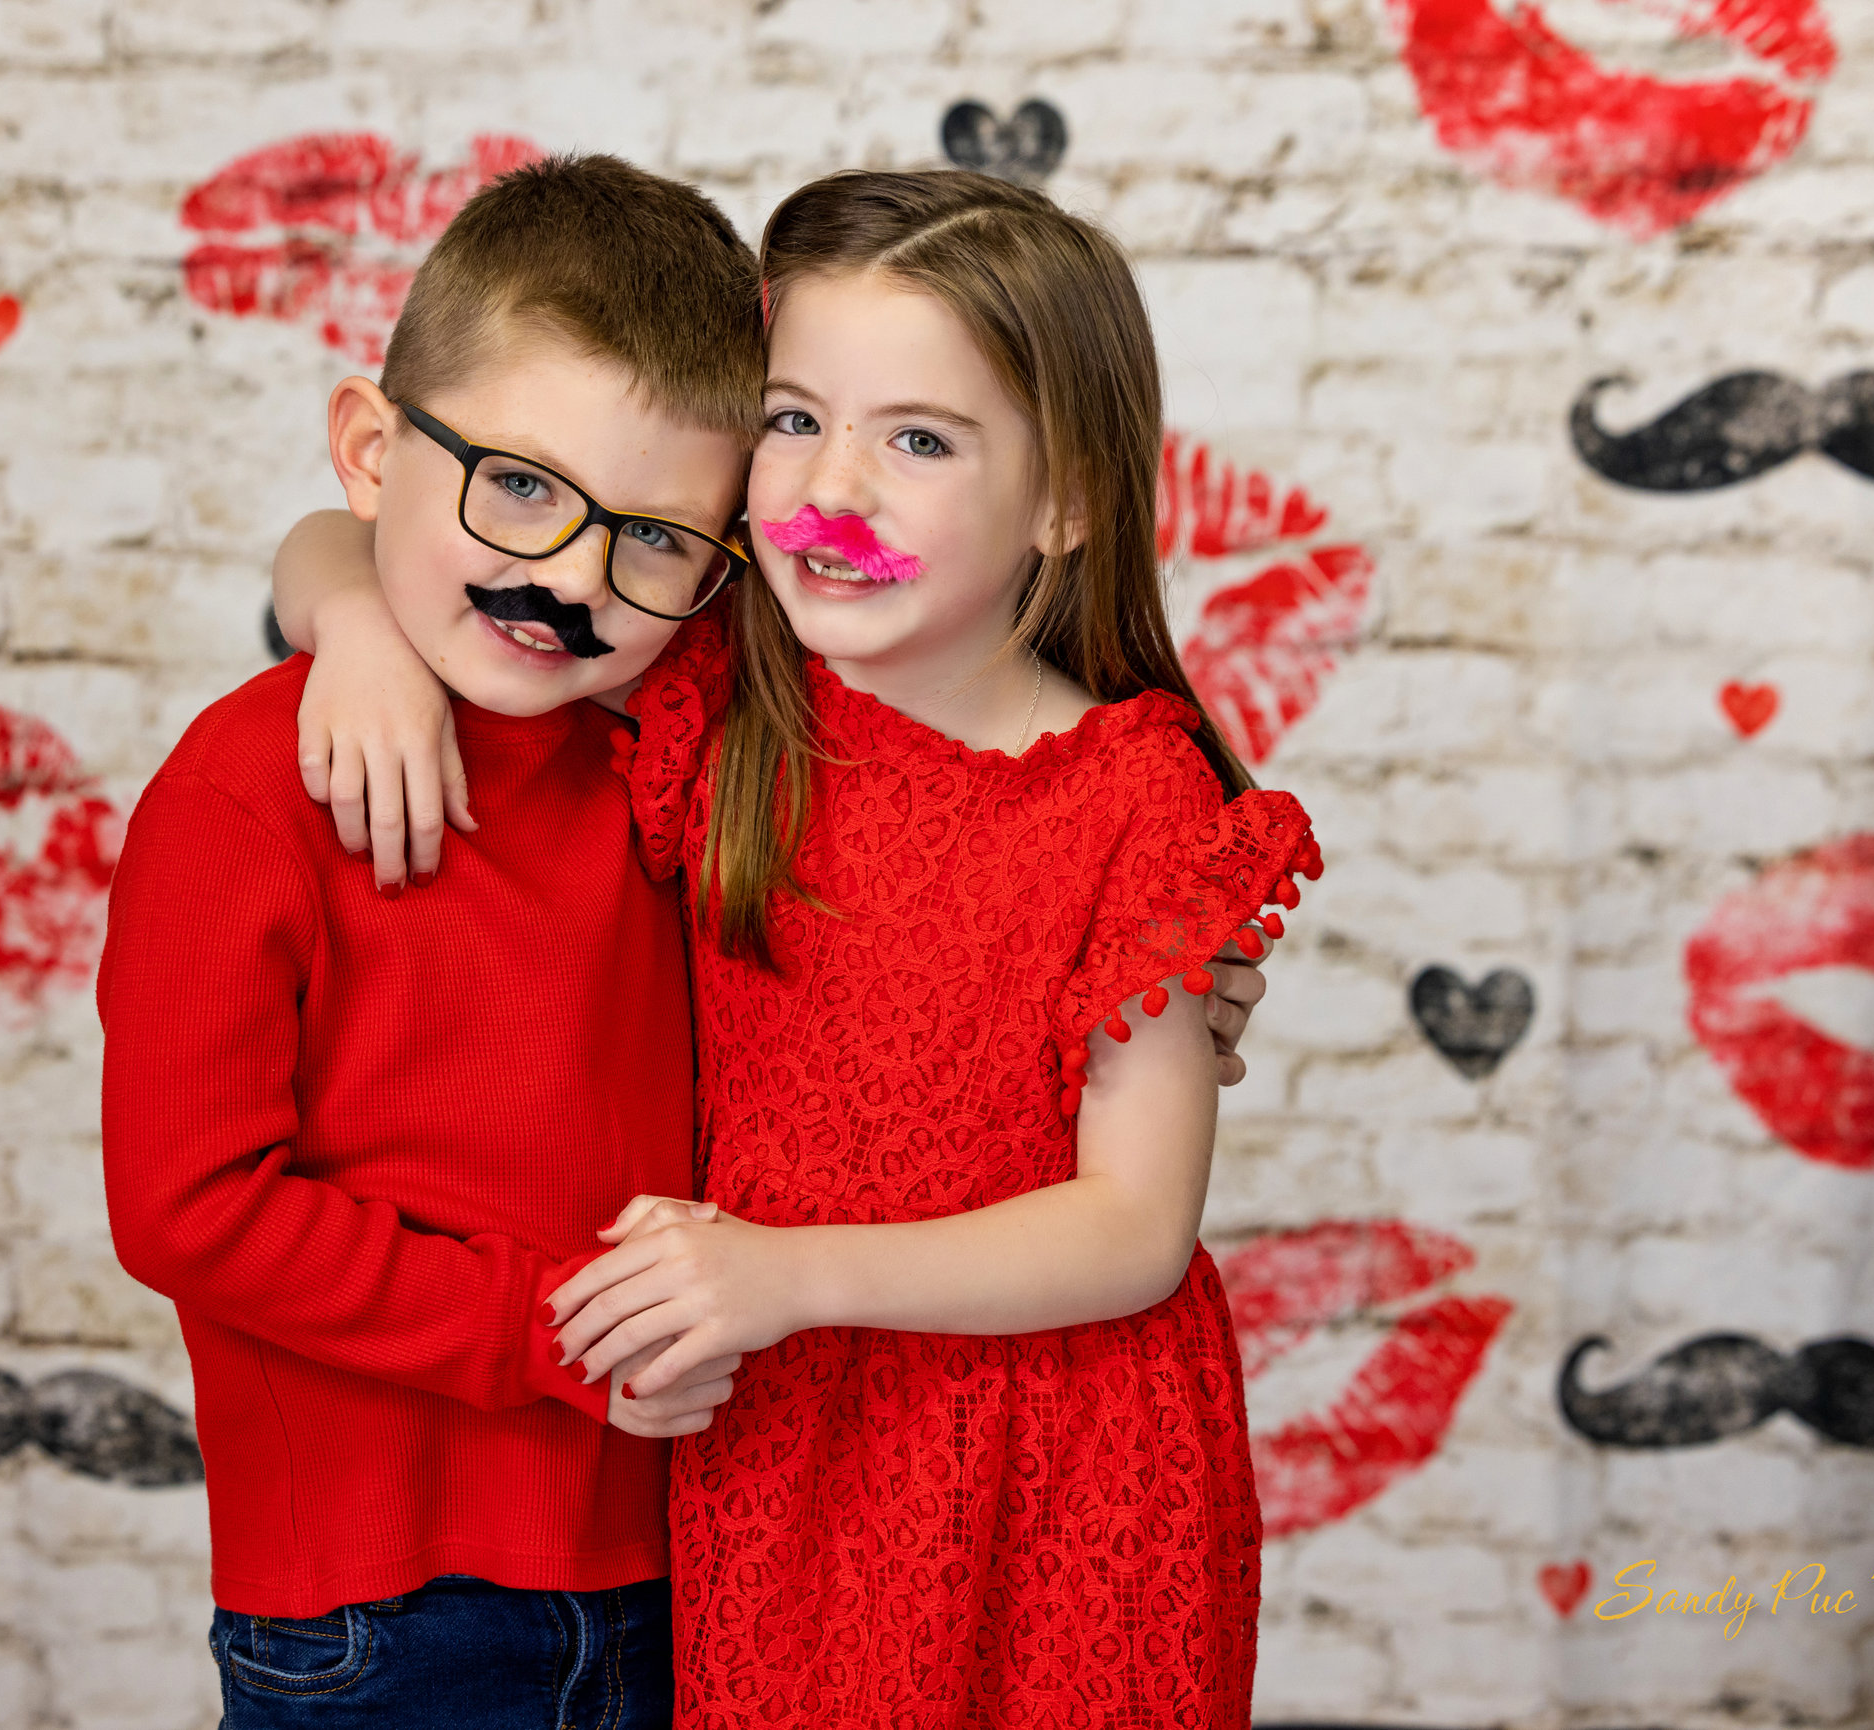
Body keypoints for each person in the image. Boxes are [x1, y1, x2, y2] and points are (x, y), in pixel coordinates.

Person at [272, 170, 1308, 1725]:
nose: (833, 492)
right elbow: (344, 527)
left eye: (918, 439)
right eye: (790, 419)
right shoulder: (722, 692)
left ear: (1066, 498)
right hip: (788, 1444)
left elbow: (1132, 1228)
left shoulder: (1134, 796)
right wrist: (351, 628)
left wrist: (781, 1270)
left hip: (1061, 1465)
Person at [97, 154, 769, 1730]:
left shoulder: (669, 731)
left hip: (679, 1549)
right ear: (369, 449)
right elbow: (187, 1209)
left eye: (657, 538)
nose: (570, 577)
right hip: (379, 1607)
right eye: (518, 486)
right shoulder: (247, 791)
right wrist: (554, 1331)